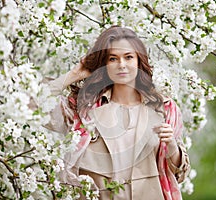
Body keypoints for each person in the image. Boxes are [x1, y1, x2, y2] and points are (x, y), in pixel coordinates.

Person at [46, 25, 190, 200]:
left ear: (139, 61)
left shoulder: (164, 108)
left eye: (128, 57)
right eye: (113, 59)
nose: (121, 65)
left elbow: (179, 174)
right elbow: (33, 106)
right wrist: (75, 74)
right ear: (104, 64)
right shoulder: (83, 109)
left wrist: (172, 146)